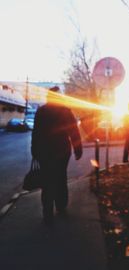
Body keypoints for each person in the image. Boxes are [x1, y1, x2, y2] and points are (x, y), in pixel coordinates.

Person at [31, 86, 82, 225]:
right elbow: (73, 131)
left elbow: (36, 132)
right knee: (60, 177)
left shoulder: (41, 111)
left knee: (47, 180)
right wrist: (78, 149)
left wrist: (34, 150)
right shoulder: (65, 111)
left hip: (44, 151)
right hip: (62, 150)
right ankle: (61, 206)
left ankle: (47, 211)